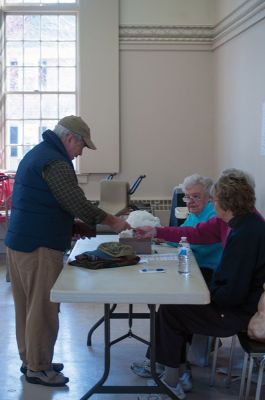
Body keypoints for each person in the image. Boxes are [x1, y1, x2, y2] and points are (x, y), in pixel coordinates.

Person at [5, 115, 131, 387]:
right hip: (39, 246)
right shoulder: (56, 161)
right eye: (82, 146)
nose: (80, 153)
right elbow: (76, 201)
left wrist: (71, 225)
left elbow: (44, 202)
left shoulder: (38, 154)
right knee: (43, 309)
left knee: (26, 307)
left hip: (20, 242)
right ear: (70, 138)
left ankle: (32, 360)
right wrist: (113, 220)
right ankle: (40, 368)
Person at [137, 172, 265, 400]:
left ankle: (171, 384)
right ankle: (172, 373)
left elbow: (232, 292)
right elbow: (194, 233)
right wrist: (156, 231)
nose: (211, 203)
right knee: (175, 306)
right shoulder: (238, 221)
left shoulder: (245, 233)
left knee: (172, 311)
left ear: (226, 202)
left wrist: (205, 295)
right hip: (236, 302)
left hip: (239, 313)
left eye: (213, 199)